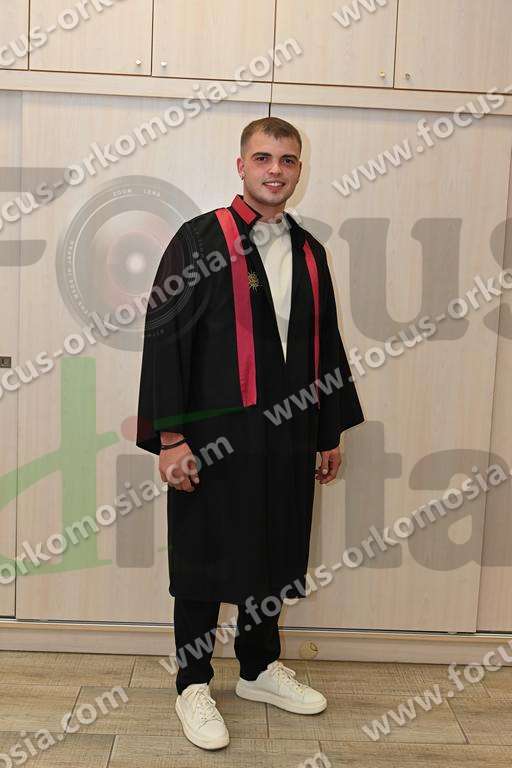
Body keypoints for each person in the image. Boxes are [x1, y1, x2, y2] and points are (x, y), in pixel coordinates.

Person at [136, 117, 366, 750]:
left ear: (299, 170)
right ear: (241, 166)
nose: (275, 170)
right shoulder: (199, 239)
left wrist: (327, 431)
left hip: (288, 433)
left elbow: (326, 345)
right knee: (203, 555)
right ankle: (193, 683)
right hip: (212, 435)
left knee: (273, 544)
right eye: (263, 158)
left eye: (287, 160)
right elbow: (165, 337)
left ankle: (259, 668)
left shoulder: (310, 252)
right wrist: (171, 439)